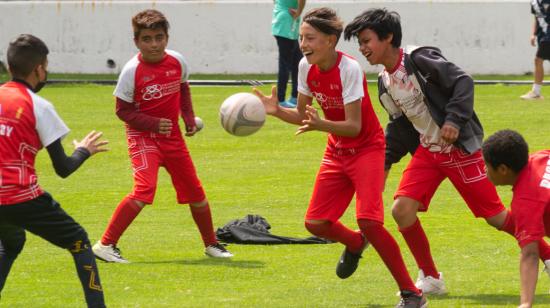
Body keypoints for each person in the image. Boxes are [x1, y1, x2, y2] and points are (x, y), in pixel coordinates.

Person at [343, 8, 550, 295]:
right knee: (402, 210)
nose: (363, 49)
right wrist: (387, 159)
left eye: (367, 41)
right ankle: (431, 277)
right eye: (360, 43)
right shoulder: (384, 82)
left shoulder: (419, 59)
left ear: (388, 37)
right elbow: (400, 126)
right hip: (428, 154)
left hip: (459, 151)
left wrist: (453, 120)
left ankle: (546, 254)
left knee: (496, 217)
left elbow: (463, 81)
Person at [255, 8, 426, 307]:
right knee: (316, 223)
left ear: (331, 40)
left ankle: (412, 293)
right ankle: (356, 243)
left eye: (310, 38)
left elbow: (354, 126)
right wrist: (276, 111)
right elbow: (302, 116)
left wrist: (321, 125)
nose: (303, 44)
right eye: (301, 38)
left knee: (369, 221)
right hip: (336, 151)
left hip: (367, 150)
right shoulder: (305, 67)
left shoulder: (349, 70)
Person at [92, 9, 232, 263]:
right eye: (147, 39)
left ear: (167, 37)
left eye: (159, 37)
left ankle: (212, 244)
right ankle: (105, 244)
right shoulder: (131, 70)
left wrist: (188, 118)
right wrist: (154, 124)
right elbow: (121, 111)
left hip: (173, 139)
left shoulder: (177, 61)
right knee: (144, 190)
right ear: (136, 41)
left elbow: (183, 90)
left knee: (196, 193)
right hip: (143, 138)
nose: (154, 44)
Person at [0, 34, 107, 307]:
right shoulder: (39, 106)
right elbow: (63, 168)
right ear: (39, 69)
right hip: (20, 198)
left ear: (9, 67)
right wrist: (84, 150)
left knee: (11, 242)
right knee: (80, 242)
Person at [482, 130, 550, 308]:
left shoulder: (525, 202)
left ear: (503, 169)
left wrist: (525, 303)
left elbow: (530, 255)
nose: (484, 170)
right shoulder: (541, 157)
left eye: (487, 165)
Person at [272, 0, 305, 108]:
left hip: (282, 22)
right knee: (286, 64)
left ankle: (295, 97)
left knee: (298, 62)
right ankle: (281, 99)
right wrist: (299, 12)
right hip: (287, 23)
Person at [520, 0, 550, 100]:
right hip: (543, 37)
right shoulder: (534, 3)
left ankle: (536, 92)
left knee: (538, 60)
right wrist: (533, 34)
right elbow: (536, 19)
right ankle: (536, 92)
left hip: (548, 37)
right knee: (538, 61)